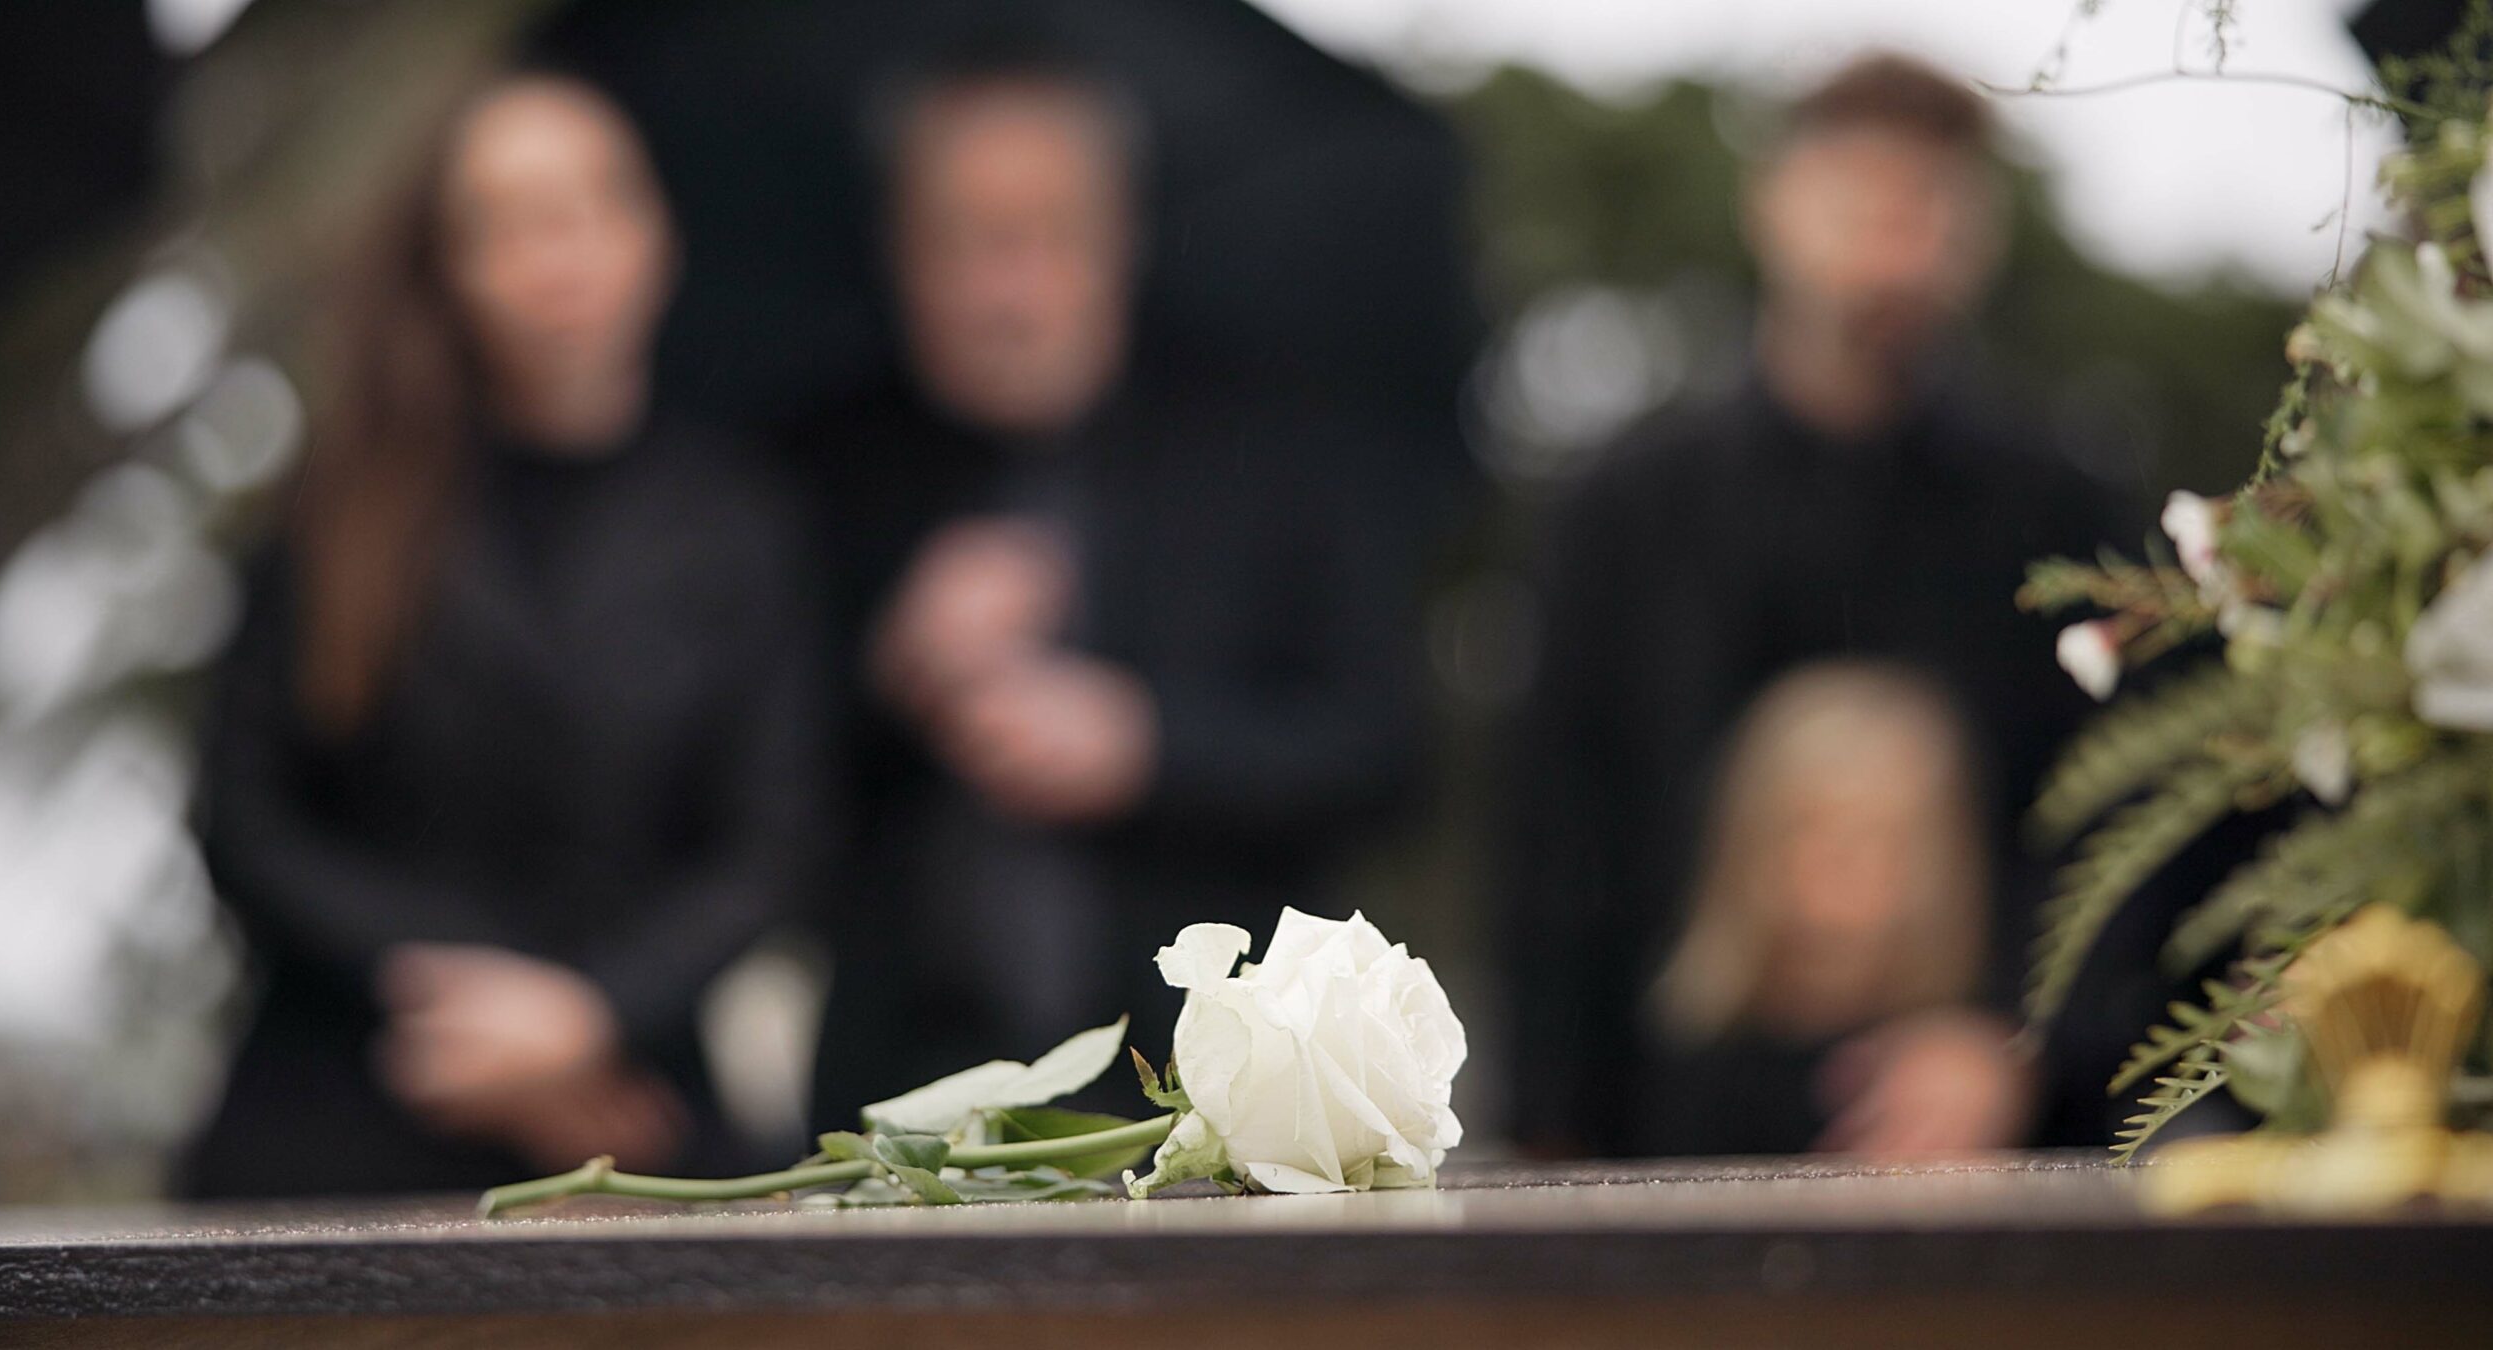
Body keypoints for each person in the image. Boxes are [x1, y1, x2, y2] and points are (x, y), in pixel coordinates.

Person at [183, 72, 823, 1197]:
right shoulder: (338, 507)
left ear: (655, 236)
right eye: (510, 222)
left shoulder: (739, 524)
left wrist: (587, 1011)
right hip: (345, 1095)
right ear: (449, 266)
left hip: (627, 1111)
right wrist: (455, 993)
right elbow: (242, 815)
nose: (560, 252)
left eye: (592, 203)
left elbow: (771, 838)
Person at [1505, 53, 2127, 1158]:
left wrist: (2018, 1045)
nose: (1890, 244)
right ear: (1772, 207)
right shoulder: (1621, 514)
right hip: (1664, 1135)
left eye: (1925, 204)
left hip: (1991, 1143)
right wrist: (1553, 1129)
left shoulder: (2069, 518)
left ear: (1977, 235)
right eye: (1857, 199)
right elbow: (1557, 841)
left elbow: (2122, 829)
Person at [797, 44, 1425, 1126]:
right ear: (896, 251)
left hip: (1211, 1090)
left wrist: (1149, 745)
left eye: (1045, 235)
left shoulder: (1276, 452)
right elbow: (738, 804)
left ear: (1119, 236)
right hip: (902, 1094)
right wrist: (888, 664)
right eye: (964, 242)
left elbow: (1385, 752)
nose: (1006, 289)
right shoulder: (821, 465)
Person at [1639, 663, 2029, 1157]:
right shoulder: (1682, 1063)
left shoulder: (1970, 1069)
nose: (1836, 865)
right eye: (1806, 830)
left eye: (1877, 838)